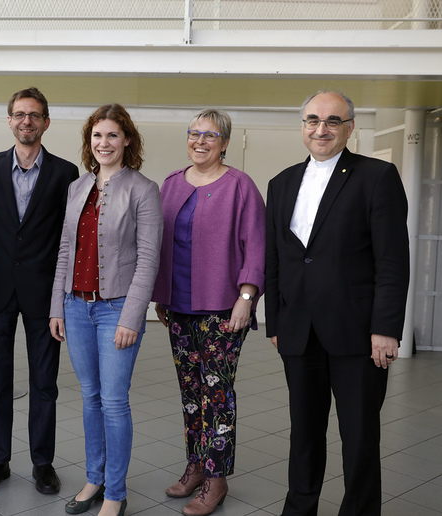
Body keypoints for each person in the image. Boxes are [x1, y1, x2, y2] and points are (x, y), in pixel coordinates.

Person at [265, 90, 409, 515]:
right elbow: (276, 260)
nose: (321, 128)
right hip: (299, 332)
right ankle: (300, 508)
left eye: (332, 121)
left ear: (350, 128)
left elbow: (392, 260)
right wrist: (276, 322)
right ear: (303, 127)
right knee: (303, 433)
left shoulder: (377, 177)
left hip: (358, 335)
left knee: (360, 437)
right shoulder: (282, 182)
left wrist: (385, 328)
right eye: (312, 120)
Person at [49, 104, 162, 516]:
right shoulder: (77, 188)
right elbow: (66, 250)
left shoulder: (144, 189)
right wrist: (56, 306)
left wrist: (133, 317)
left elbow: (149, 259)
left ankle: (115, 491)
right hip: (76, 308)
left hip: (117, 310)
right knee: (90, 397)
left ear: (127, 140)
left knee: (114, 401)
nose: (104, 143)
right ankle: (93, 478)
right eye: (97, 136)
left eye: (112, 135)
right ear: (89, 142)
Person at [151, 109, 265, 516]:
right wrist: (161, 296)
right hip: (179, 308)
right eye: (194, 133)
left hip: (223, 309)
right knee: (190, 394)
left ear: (225, 142)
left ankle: (217, 480)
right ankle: (196, 465)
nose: (200, 141)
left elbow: (256, 244)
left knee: (216, 393)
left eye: (210, 135)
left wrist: (246, 298)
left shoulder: (240, 186)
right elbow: (162, 246)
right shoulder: (170, 185)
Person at [0, 87, 79, 495]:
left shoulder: (65, 173)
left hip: (44, 294)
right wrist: (3, 261)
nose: (26, 121)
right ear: (10, 120)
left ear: (46, 122)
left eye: (34, 115)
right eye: (19, 114)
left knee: (44, 383)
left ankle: (42, 462)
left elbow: (67, 236)